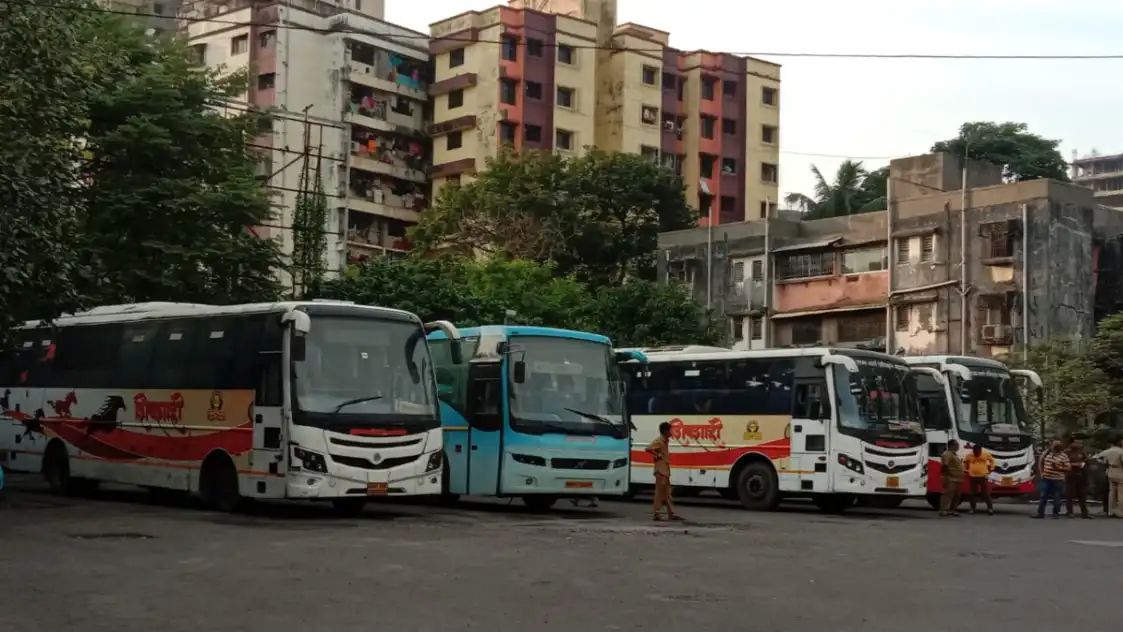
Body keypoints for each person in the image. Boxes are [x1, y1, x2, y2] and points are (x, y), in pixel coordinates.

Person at [647, 421, 683, 521]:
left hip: (665, 470)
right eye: (669, 430)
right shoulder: (659, 441)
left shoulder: (665, 441)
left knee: (667, 493)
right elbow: (648, 448)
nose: (671, 432)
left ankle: (671, 514)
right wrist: (657, 455)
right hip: (660, 470)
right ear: (665, 431)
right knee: (659, 493)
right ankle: (656, 514)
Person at [1033, 440, 1071, 519]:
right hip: (1046, 478)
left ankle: (1055, 513)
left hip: (1058, 479)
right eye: (1053, 446)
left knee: (1056, 497)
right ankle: (1040, 513)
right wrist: (1041, 473)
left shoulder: (1064, 456)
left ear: (1060, 448)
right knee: (1043, 496)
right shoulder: (1047, 453)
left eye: (1056, 446)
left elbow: (1068, 468)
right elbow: (1041, 461)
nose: (1054, 447)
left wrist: (1058, 468)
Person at [1094, 435, 1123, 519]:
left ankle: (1111, 511)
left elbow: (1096, 457)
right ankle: (1120, 511)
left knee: (1111, 492)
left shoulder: (1107, 451)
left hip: (1110, 471)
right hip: (1120, 471)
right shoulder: (1121, 451)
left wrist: (1103, 462)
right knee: (1121, 493)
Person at [1064, 435, 1092, 519]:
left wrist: (1087, 461)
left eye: (1080, 443)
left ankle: (1085, 513)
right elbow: (1063, 463)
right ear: (1071, 443)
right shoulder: (1066, 452)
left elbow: (1086, 461)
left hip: (1081, 476)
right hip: (1070, 476)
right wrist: (1074, 464)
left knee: (1082, 495)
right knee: (1070, 495)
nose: (1079, 444)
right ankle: (1070, 512)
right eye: (1077, 443)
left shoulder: (1081, 452)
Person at [964, 444, 995, 515]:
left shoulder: (985, 454)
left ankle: (990, 509)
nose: (977, 453)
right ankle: (972, 509)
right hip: (973, 476)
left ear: (980, 450)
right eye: (975, 452)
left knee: (985, 493)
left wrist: (992, 468)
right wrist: (965, 470)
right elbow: (965, 462)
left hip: (983, 476)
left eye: (978, 451)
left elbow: (992, 460)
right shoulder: (969, 455)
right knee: (972, 493)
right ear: (973, 450)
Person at [939, 440, 965, 517]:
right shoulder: (947, 454)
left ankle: (952, 510)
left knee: (957, 495)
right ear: (951, 445)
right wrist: (946, 476)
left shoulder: (954, 454)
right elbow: (945, 466)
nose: (958, 446)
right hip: (950, 478)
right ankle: (944, 510)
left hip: (958, 479)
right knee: (948, 495)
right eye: (956, 445)